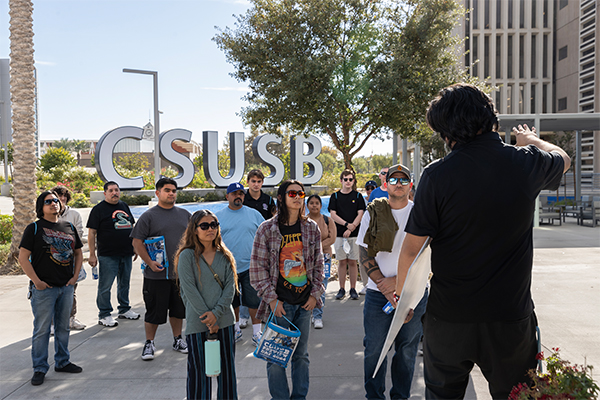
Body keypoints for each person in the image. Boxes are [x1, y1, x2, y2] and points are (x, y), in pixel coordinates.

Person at [396, 83, 570, 399]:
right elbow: (562, 158)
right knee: (519, 395)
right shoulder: (525, 162)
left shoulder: (437, 175)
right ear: (489, 117)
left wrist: (403, 301)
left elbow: (411, 248)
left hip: (448, 318)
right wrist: (530, 140)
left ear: (450, 131)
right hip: (509, 318)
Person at [356, 164, 428, 400]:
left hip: (413, 292)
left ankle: (400, 397)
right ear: (385, 184)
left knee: (406, 351)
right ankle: (374, 396)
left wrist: (399, 284)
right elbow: (365, 253)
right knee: (374, 350)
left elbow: (428, 256)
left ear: (411, 185)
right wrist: (384, 285)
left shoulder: (421, 213)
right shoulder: (372, 212)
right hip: (378, 294)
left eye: (404, 180)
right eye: (394, 179)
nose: (399, 183)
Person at [250, 180, 325, 400]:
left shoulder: (311, 228)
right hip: (279, 307)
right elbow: (257, 269)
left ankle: (299, 397)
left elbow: (320, 263)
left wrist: (315, 294)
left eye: (300, 193)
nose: (297, 196)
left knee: (301, 356)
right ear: (281, 197)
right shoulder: (266, 229)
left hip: (304, 304)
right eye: (291, 193)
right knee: (275, 359)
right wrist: (272, 300)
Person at [18, 191, 84, 386]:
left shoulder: (68, 226)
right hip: (44, 289)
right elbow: (23, 258)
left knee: (63, 327)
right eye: (48, 202)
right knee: (42, 330)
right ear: (41, 207)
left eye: (56, 200)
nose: (54, 203)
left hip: (66, 287)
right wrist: (36, 281)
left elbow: (78, 253)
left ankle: (62, 362)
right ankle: (39, 368)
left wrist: (74, 277)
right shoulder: (35, 228)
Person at [175, 210, 238, 400]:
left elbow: (230, 289)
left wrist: (216, 314)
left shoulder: (225, 255)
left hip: (225, 321)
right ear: (194, 229)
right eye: (204, 225)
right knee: (198, 375)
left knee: (227, 373)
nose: (210, 229)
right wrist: (207, 317)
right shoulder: (186, 256)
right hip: (198, 322)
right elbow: (189, 290)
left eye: (214, 225)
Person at [131, 177, 191, 361]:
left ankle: (177, 339)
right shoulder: (148, 216)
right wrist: (149, 262)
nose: (171, 193)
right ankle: (149, 343)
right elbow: (136, 241)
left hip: (180, 275)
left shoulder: (185, 215)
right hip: (156, 275)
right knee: (154, 311)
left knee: (178, 310)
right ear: (157, 193)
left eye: (174, 190)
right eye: (167, 190)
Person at [216, 182, 265, 345]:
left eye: (241, 193)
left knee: (254, 301)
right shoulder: (218, 217)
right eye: (234, 193)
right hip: (228, 267)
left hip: (252, 267)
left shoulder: (254, 214)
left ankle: (257, 333)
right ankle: (236, 330)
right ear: (227, 196)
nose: (238, 196)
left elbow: (265, 236)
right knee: (233, 301)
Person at [87, 181, 139, 328]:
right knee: (105, 286)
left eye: (116, 190)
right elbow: (92, 233)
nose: (114, 193)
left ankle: (124, 308)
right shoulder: (98, 209)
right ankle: (104, 314)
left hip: (126, 252)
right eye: (111, 190)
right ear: (105, 193)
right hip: (108, 254)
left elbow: (132, 227)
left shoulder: (124, 206)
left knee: (125, 283)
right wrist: (92, 254)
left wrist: (134, 247)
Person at [328, 169, 366, 300]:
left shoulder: (357, 196)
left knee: (353, 262)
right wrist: (346, 225)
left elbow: (360, 214)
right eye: (346, 179)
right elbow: (333, 214)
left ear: (353, 181)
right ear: (341, 180)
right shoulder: (335, 197)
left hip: (354, 234)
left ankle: (353, 288)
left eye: (350, 179)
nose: (348, 182)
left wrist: (352, 227)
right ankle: (342, 288)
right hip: (339, 235)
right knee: (342, 262)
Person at [52, 185, 86, 331]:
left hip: (70, 259)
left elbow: (77, 236)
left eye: (64, 196)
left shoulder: (74, 215)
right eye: (59, 196)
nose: (62, 199)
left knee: (71, 291)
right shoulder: (47, 215)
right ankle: (53, 323)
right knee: (53, 292)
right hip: (52, 261)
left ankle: (71, 319)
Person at [306, 194, 336, 329]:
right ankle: (309, 313)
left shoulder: (328, 220)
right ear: (307, 205)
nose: (314, 205)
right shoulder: (304, 221)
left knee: (321, 286)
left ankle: (318, 316)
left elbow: (332, 238)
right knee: (307, 285)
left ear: (320, 205)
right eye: (311, 203)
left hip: (325, 257)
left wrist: (317, 246)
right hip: (307, 258)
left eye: (316, 203)